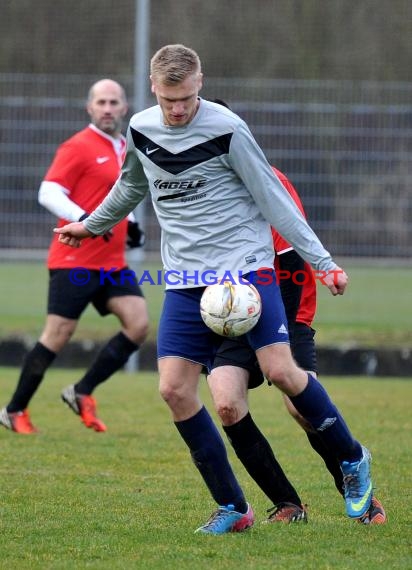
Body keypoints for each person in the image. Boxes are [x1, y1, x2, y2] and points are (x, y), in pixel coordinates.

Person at [53, 45, 376, 534]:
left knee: (282, 372)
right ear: (152, 85)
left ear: (200, 81)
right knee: (174, 390)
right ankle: (234, 507)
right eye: (168, 99)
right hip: (185, 282)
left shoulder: (227, 128)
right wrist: (90, 224)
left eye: (184, 97)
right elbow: (130, 187)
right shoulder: (141, 128)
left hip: (246, 271)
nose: (177, 108)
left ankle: (352, 459)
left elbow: (273, 198)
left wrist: (323, 263)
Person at [208, 160, 386, 525]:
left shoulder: (266, 180)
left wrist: (279, 334)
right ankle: (288, 505)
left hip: (285, 311)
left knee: (299, 406)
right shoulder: (192, 185)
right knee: (226, 402)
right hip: (233, 315)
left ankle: (361, 496)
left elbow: (291, 260)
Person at [0, 79, 148, 435]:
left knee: (139, 323)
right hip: (74, 260)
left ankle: (82, 391)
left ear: (124, 107)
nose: (108, 108)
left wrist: (129, 224)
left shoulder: (125, 147)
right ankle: (13, 410)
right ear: (90, 108)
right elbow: (48, 191)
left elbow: (118, 195)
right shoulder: (77, 146)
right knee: (58, 335)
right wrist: (84, 220)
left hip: (112, 264)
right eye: (102, 102)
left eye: (114, 102)